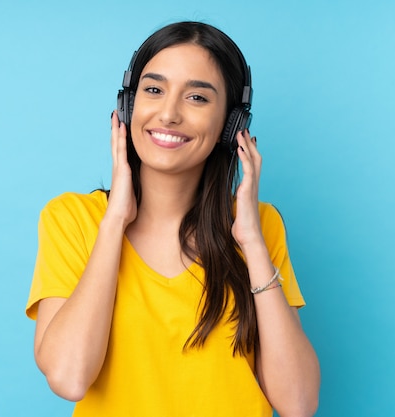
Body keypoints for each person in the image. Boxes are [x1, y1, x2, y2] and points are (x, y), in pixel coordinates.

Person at [26, 21, 320, 417]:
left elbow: (298, 403)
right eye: (153, 90)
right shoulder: (73, 219)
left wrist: (251, 242)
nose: (168, 113)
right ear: (128, 105)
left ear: (231, 125)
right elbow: (69, 377)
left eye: (197, 97)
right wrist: (114, 222)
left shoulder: (261, 227)